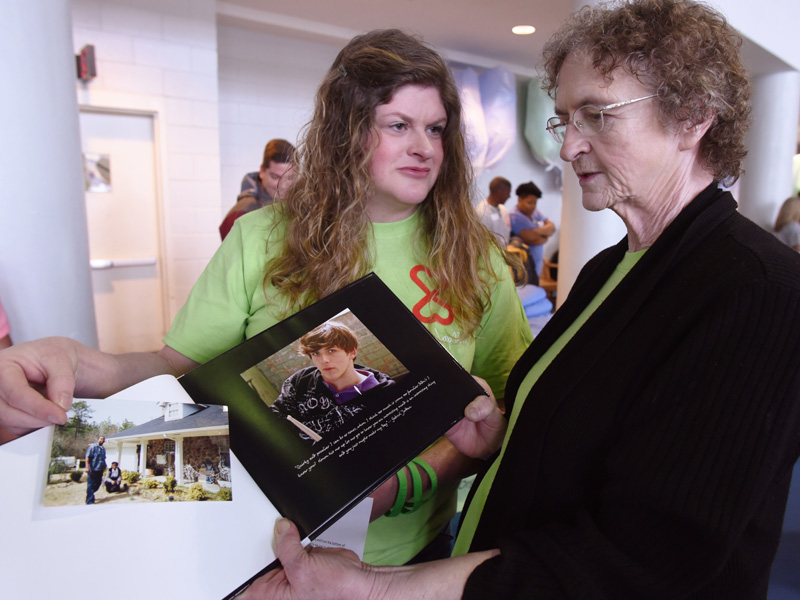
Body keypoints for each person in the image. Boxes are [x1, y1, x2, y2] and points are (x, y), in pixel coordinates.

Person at [236, 1, 800, 598]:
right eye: (564, 120)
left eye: (598, 116)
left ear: (692, 118)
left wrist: (376, 587)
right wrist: (500, 437)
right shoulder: (614, 267)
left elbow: (646, 557)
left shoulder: (758, 291)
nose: (567, 148)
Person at [0, 29, 532, 568]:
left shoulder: (476, 257)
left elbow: (500, 406)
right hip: (268, 548)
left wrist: (413, 480)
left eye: (436, 129)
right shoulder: (263, 237)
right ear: (347, 132)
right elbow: (176, 369)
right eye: (398, 125)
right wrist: (77, 362)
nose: (424, 148)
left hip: (415, 552)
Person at [271, 321, 395, 439]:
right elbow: (276, 416)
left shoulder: (385, 393)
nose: (324, 360)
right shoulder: (300, 381)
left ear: (352, 352)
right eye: (316, 353)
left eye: (331, 351)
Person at [219, 139, 297, 240]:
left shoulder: (297, 210)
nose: (282, 186)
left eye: (290, 178)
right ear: (262, 171)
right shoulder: (241, 213)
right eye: (275, 177)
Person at [509, 181, 555, 284]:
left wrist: (535, 232)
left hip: (537, 264)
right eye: (529, 202)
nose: (533, 206)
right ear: (520, 199)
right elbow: (530, 239)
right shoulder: (515, 216)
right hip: (525, 265)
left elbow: (552, 227)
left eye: (535, 203)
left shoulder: (535, 212)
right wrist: (544, 234)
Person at [474, 177, 512, 245]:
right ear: (500, 192)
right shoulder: (482, 213)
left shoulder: (503, 209)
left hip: (503, 251)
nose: (509, 196)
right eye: (508, 192)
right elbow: (481, 241)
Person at [84, 436, 106, 505]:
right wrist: (87, 467)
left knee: (97, 484)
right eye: (101, 439)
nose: (102, 440)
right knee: (90, 485)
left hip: (100, 469)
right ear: (98, 439)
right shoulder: (92, 447)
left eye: (103, 440)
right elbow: (87, 457)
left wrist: (105, 467)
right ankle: (89, 501)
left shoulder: (103, 449)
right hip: (92, 469)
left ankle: (91, 494)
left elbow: (103, 459)